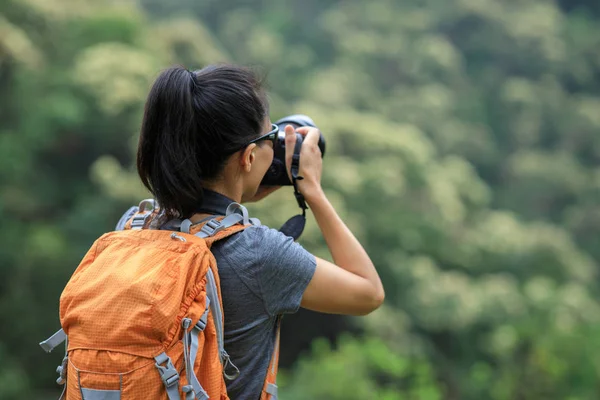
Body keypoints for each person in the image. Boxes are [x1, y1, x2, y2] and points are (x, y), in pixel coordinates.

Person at [136, 64, 385, 400]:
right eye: (271, 137)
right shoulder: (259, 253)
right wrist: (311, 189)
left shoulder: (137, 224)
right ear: (249, 157)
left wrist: (241, 185)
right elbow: (368, 293)